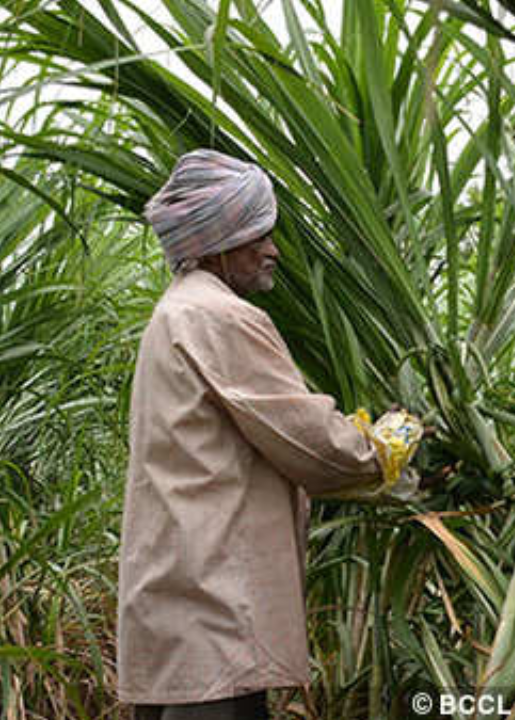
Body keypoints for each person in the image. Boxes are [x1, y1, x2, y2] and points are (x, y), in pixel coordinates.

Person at [119, 150, 418, 719]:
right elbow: (309, 442)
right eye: (259, 235)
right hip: (215, 610)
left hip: (175, 606)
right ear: (219, 242)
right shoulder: (219, 316)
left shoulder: (173, 312)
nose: (272, 250)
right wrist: (385, 446)